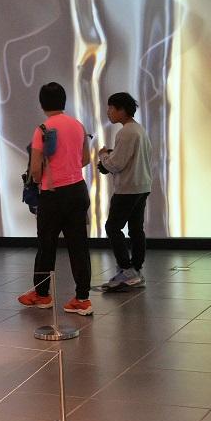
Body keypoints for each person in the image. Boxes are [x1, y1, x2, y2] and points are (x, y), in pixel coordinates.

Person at [18, 82, 93, 315]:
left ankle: (42, 295)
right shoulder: (78, 126)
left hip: (52, 194)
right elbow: (85, 159)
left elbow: (36, 169)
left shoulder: (43, 128)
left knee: (46, 245)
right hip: (77, 190)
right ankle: (82, 298)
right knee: (79, 246)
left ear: (42, 104)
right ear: (64, 100)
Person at [96, 91, 152, 291]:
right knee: (136, 229)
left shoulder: (126, 132)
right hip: (142, 186)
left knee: (113, 227)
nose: (109, 113)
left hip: (128, 188)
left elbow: (116, 164)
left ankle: (127, 270)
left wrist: (103, 156)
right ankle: (135, 271)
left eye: (111, 108)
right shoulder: (138, 130)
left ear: (121, 110)